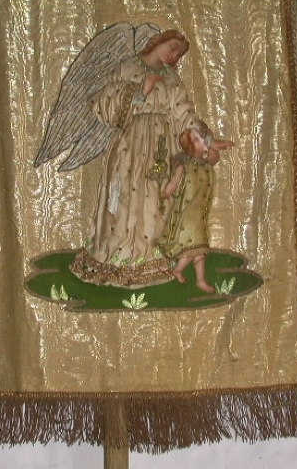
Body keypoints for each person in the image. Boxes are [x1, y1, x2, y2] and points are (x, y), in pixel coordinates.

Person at [70, 29, 216, 288]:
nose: (173, 56)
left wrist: (207, 141)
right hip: (130, 144)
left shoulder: (171, 78)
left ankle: (151, 256)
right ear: (158, 42)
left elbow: (184, 113)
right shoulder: (128, 67)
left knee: (156, 197)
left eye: (179, 54)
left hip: (162, 145)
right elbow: (104, 102)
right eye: (172, 47)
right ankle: (120, 254)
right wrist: (140, 91)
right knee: (125, 195)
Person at [156, 126, 234, 292]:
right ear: (191, 146)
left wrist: (210, 142)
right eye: (197, 139)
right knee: (197, 246)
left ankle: (182, 272)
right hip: (187, 214)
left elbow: (214, 156)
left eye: (201, 137)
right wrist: (167, 192)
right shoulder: (184, 166)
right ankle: (197, 279)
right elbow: (174, 182)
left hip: (199, 215)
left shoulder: (206, 165)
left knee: (198, 248)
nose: (202, 141)